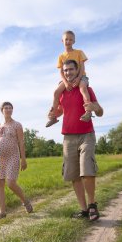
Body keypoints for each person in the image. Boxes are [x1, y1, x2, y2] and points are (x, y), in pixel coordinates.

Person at [48, 59, 103, 221]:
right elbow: (59, 111)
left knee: (87, 169)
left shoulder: (86, 89)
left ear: (77, 70)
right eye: (65, 70)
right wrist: (52, 114)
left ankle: (93, 205)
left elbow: (100, 112)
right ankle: (84, 209)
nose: (68, 73)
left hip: (86, 134)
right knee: (73, 174)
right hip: (68, 137)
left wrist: (95, 108)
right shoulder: (62, 91)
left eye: (71, 70)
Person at [0, 102, 33, 220]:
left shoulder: (17, 125)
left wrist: (23, 159)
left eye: (10, 108)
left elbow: (21, 142)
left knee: (11, 183)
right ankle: (2, 212)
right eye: (6, 108)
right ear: (2, 110)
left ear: (12, 110)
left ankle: (25, 201)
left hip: (13, 157)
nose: (8, 109)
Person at [46, 30, 92, 127]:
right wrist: (66, 83)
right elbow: (61, 72)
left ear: (74, 41)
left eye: (71, 39)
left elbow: (82, 67)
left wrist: (79, 78)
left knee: (83, 88)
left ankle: (88, 112)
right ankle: (53, 116)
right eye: (66, 39)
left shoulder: (79, 52)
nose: (68, 41)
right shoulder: (61, 56)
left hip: (80, 76)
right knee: (56, 92)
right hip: (67, 79)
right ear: (62, 41)